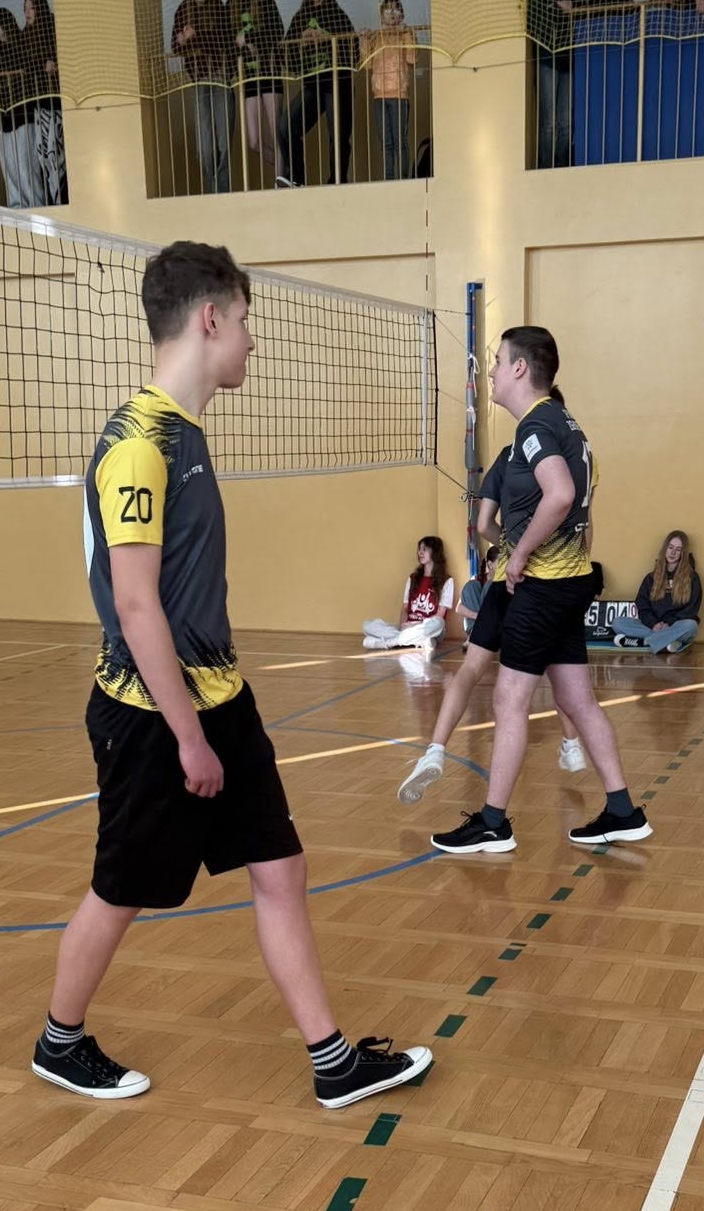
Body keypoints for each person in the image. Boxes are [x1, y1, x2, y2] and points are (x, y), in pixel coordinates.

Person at [33, 242, 430, 1107]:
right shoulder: (138, 444)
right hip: (151, 714)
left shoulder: (186, 435)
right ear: (209, 319)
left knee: (280, 868)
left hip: (221, 698)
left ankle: (333, 1062)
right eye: (246, 321)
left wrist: (213, 722)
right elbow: (135, 605)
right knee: (122, 890)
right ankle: (60, 1042)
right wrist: (188, 739)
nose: (252, 340)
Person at [430, 330, 651, 854]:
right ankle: (622, 810)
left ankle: (493, 823)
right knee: (576, 698)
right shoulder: (567, 425)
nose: (491, 371)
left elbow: (561, 495)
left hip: (544, 585)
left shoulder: (536, 426)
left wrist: (520, 554)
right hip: (570, 581)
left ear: (520, 368)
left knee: (509, 698)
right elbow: (579, 511)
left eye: (497, 361)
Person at [397, 449, 588, 803]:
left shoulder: (506, 459)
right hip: (544, 584)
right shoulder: (567, 457)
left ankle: (435, 749)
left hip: (503, 583)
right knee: (557, 670)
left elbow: (484, 524)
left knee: (470, 669)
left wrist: (513, 546)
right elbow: (583, 531)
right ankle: (571, 744)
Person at [280, 0, 358, 189]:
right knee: (285, 125)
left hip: (337, 84)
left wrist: (327, 39)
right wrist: (301, 44)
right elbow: (287, 58)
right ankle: (297, 179)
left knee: (338, 136)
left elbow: (353, 53)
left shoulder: (338, 15)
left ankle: (337, 183)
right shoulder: (300, 17)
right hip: (313, 86)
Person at [173, 0, 237, 195]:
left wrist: (194, 36)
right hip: (199, 80)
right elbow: (175, 46)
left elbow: (221, 41)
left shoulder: (219, 7)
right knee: (205, 147)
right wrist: (182, 41)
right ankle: (212, 191)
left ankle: (223, 192)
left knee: (223, 142)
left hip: (219, 77)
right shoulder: (183, 10)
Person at [230, 0, 285, 184]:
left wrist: (249, 38)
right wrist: (241, 45)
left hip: (269, 73)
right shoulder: (231, 5)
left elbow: (277, 31)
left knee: (277, 135)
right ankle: (289, 168)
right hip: (249, 77)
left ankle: (280, 183)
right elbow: (228, 41)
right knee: (253, 141)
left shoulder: (265, 0)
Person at [0, 8, 41, 208]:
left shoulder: (21, 54)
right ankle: (16, 207)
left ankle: (36, 206)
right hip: (3, 119)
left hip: (23, 117)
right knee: (9, 167)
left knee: (26, 167)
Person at [613, 532, 703, 654]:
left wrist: (669, 624)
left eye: (678, 550)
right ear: (665, 549)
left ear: (683, 553)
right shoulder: (651, 578)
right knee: (618, 623)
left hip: (676, 626)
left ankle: (644, 642)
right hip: (653, 626)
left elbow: (691, 610)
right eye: (670, 547)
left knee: (691, 626)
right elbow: (642, 606)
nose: (673, 552)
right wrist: (653, 624)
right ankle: (669, 641)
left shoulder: (692, 578)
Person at [529, 0, 575, 169]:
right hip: (547, 59)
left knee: (565, 120)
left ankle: (563, 165)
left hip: (570, 60)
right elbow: (533, 26)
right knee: (549, 120)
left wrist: (570, 9)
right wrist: (558, 9)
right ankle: (546, 167)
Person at [363, 537, 453, 651]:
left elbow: (440, 615)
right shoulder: (413, 578)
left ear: (435, 552)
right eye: (419, 549)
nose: (420, 552)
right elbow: (405, 608)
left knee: (439, 623)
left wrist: (415, 625)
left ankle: (389, 642)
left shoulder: (447, 581)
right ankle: (418, 640)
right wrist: (403, 626)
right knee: (367, 625)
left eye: (424, 549)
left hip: (428, 628)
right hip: (408, 626)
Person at [364, 0, 417, 181]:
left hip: (399, 95)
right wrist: (364, 40)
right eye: (387, 10)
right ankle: (389, 179)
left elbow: (412, 59)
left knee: (400, 141)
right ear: (382, 15)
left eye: (396, 9)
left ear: (401, 14)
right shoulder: (376, 36)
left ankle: (404, 178)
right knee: (386, 142)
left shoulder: (405, 34)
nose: (392, 13)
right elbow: (367, 64)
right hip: (379, 96)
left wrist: (407, 34)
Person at [21, 0, 67, 204]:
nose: (27, 13)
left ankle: (62, 197)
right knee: (43, 153)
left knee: (57, 150)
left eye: (31, 8)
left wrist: (53, 64)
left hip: (56, 101)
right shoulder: (24, 36)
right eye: (25, 9)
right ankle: (51, 198)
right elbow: (25, 65)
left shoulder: (52, 29)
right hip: (38, 103)